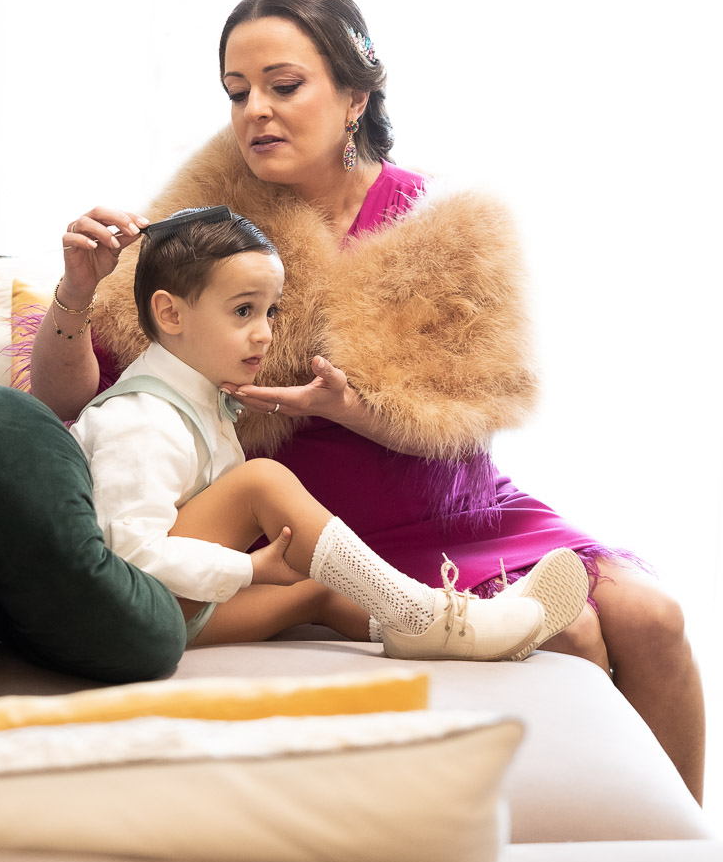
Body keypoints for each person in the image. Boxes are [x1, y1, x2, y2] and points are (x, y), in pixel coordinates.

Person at [28, 0, 708, 804]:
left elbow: (472, 410)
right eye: (237, 93)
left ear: (355, 97)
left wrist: (350, 409)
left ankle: (686, 860)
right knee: (577, 635)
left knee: (655, 619)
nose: (255, 112)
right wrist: (75, 293)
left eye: (284, 86)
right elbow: (74, 395)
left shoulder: (444, 224)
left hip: (460, 506)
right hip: (323, 529)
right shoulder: (208, 229)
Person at [70, 204, 590, 659]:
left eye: (271, 311)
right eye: (244, 311)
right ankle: (425, 616)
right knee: (261, 481)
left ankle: (445, 625)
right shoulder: (142, 419)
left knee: (320, 589)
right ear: (169, 313)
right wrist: (249, 570)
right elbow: (130, 557)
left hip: (171, 607)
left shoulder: (202, 399)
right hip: (127, 616)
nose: (265, 333)